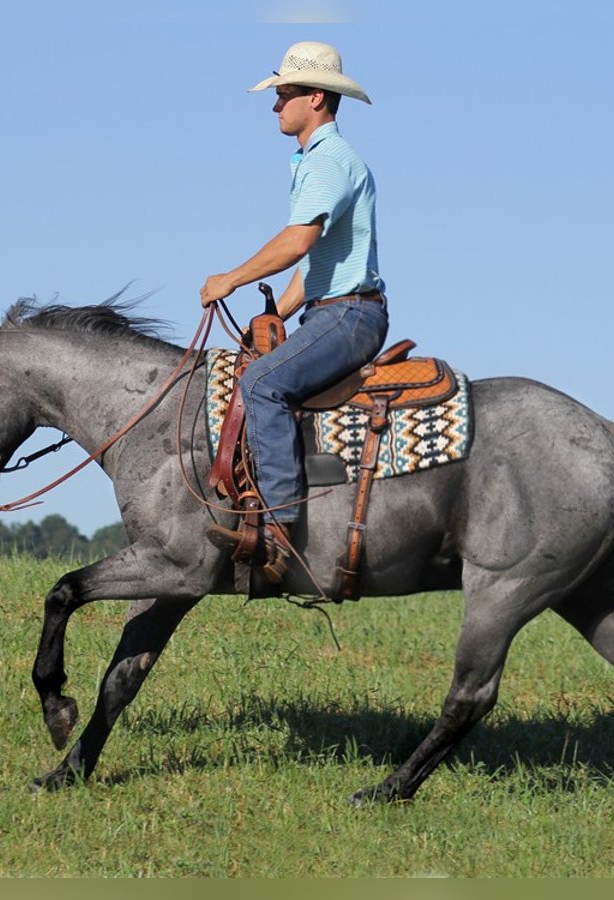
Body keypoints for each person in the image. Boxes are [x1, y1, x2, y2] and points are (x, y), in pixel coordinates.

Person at [199, 41, 389, 583]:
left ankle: (279, 534)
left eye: (283, 94)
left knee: (260, 384)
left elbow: (297, 243)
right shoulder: (318, 160)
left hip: (349, 316)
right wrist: (277, 314)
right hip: (333, 309)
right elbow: (317, 265)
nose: (275, 104)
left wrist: (229, 279)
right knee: (255, 365)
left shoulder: (328, 161)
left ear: (316, 97)